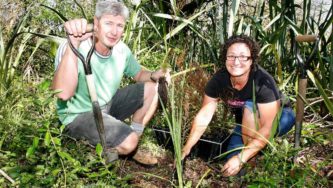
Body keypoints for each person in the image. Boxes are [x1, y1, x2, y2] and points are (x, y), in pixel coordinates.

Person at [52, 0, 170, 165]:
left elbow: (139, 74)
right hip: (78, 116)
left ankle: (132, 143)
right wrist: (73, 44)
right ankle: (98, 149)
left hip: (106, 107)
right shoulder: (73, 47)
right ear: (96, 23)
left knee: (151, 88)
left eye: (120, 26)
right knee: (128, 141)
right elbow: (63, 94)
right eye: (108, 23)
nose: (114, 31)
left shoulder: (121, 50)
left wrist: (154, 74)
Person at [181, 35, 295, 176]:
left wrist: (242, 158)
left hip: (281, 117)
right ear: (225, 58)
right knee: (231, 170)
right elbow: (204, 115)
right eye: (231, 56)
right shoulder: (219, 80)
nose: (236, 62)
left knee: (249, 106)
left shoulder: (263, 82)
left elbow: (267, 127)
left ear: (251, 60)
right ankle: (253, 153)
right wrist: (187, 147)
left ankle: (254, 154)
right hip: (244, 124)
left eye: (243, 57)